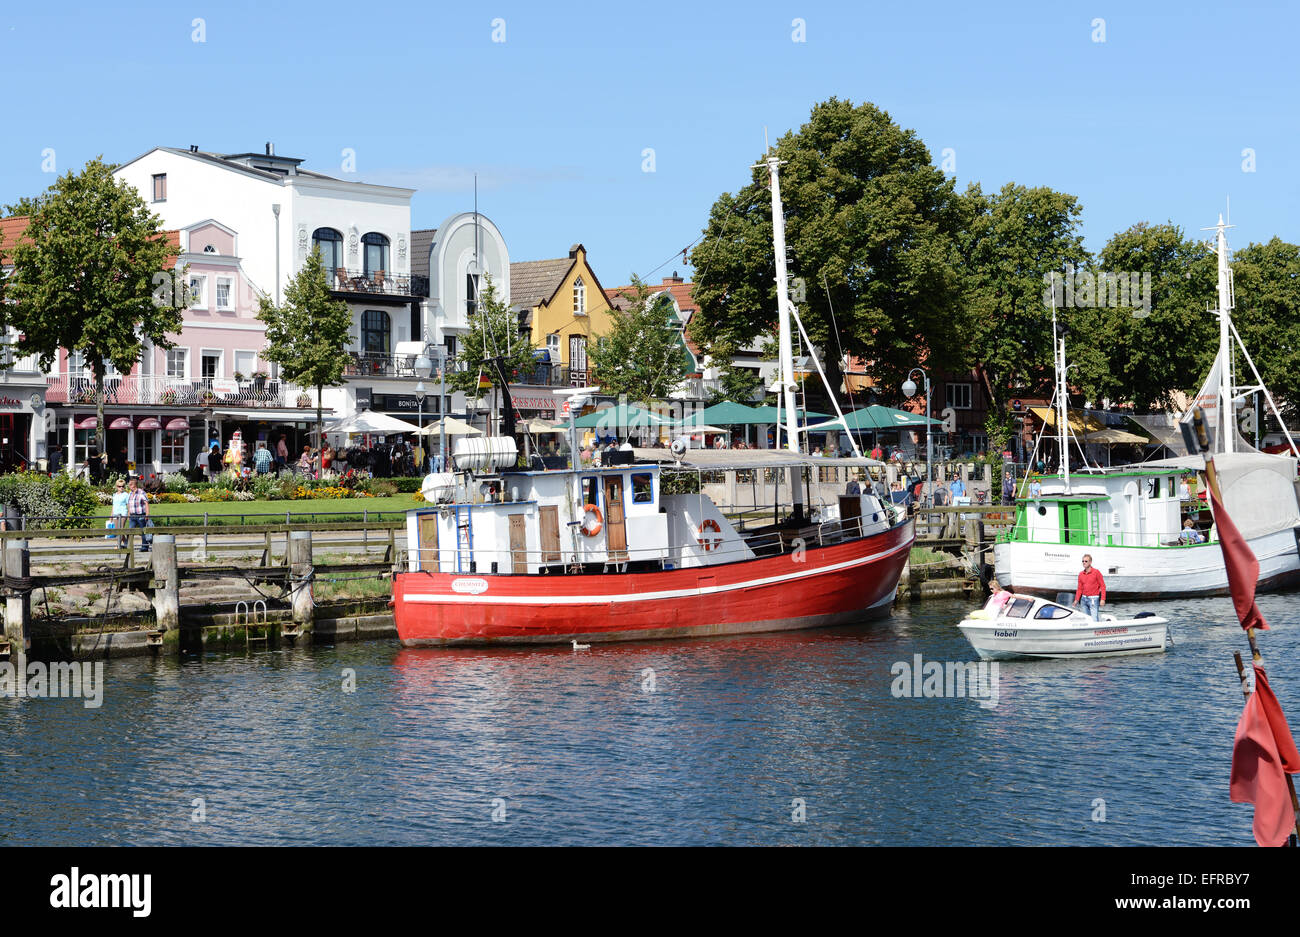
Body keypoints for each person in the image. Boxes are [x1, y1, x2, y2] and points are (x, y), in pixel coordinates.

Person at [1073, 554, 1105, 620]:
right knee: (1086, 619)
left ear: (1090, 562)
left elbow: (1103, 586)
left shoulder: (1096, 572)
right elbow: (1079, 589)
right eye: (1083, 561)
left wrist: (1102, 599)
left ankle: (1096, 629)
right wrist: (1076, 600)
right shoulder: (1081, 574)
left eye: (1086, 561)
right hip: (1083, 599)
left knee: (1094, 619)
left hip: (1093, 599)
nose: (1084, 562)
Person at [126, 478, 152, 552]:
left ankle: (145, 547)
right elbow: (129, 504)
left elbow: (146, 503)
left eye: (130, 484)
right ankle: (129, 546)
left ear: (134, 485)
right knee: (131, 531)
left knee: (143, 531)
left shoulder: (141, 493)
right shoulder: (130, 493)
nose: (129, 486)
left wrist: (147, 514)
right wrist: (128, 514)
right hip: (132, 515)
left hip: (141, 515)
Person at [110, 478, 129, 548]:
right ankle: (126, 542)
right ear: (116, 487)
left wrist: (129, 514)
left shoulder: (126, 495)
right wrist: (111, 515)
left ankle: (118, 545)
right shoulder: (114, 495)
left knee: (121, 529)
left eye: (122, 486)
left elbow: (128, 505)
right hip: (115, 514)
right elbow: (113, 506)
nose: (121, 488)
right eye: (119, 486)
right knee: (117, 530)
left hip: (123, 513)